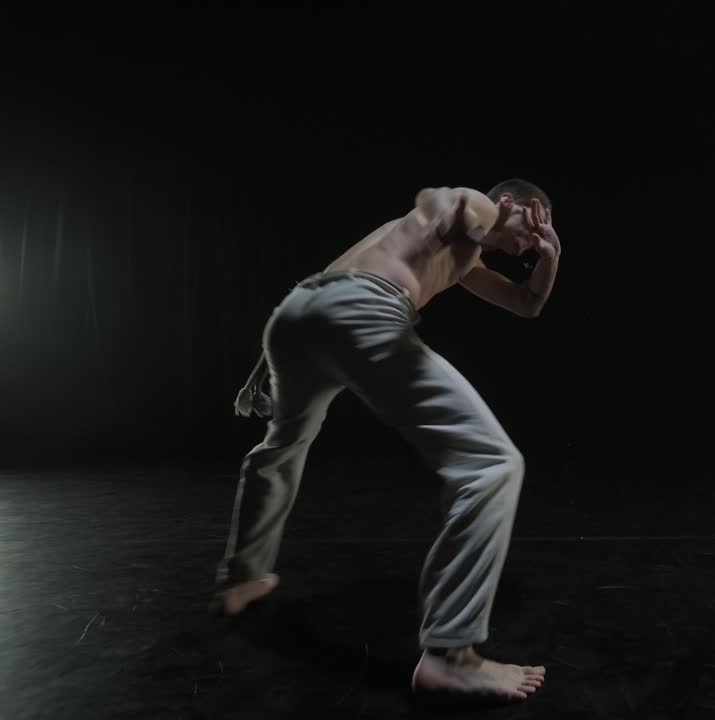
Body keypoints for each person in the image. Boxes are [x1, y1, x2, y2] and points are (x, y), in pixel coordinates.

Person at [214, 180, 559, 700]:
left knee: (279, 450)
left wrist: (550, 257)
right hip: (361, 309)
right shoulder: (478, 208)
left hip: (299, 314)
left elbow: (526, 304)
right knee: (493, 464)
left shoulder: (456, 256)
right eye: (532, 222)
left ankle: (241, 579)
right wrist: (479, 217)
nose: (531, 239)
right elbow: (460, 205)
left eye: (541, 234)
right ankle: (452, 654)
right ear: (508, 204)